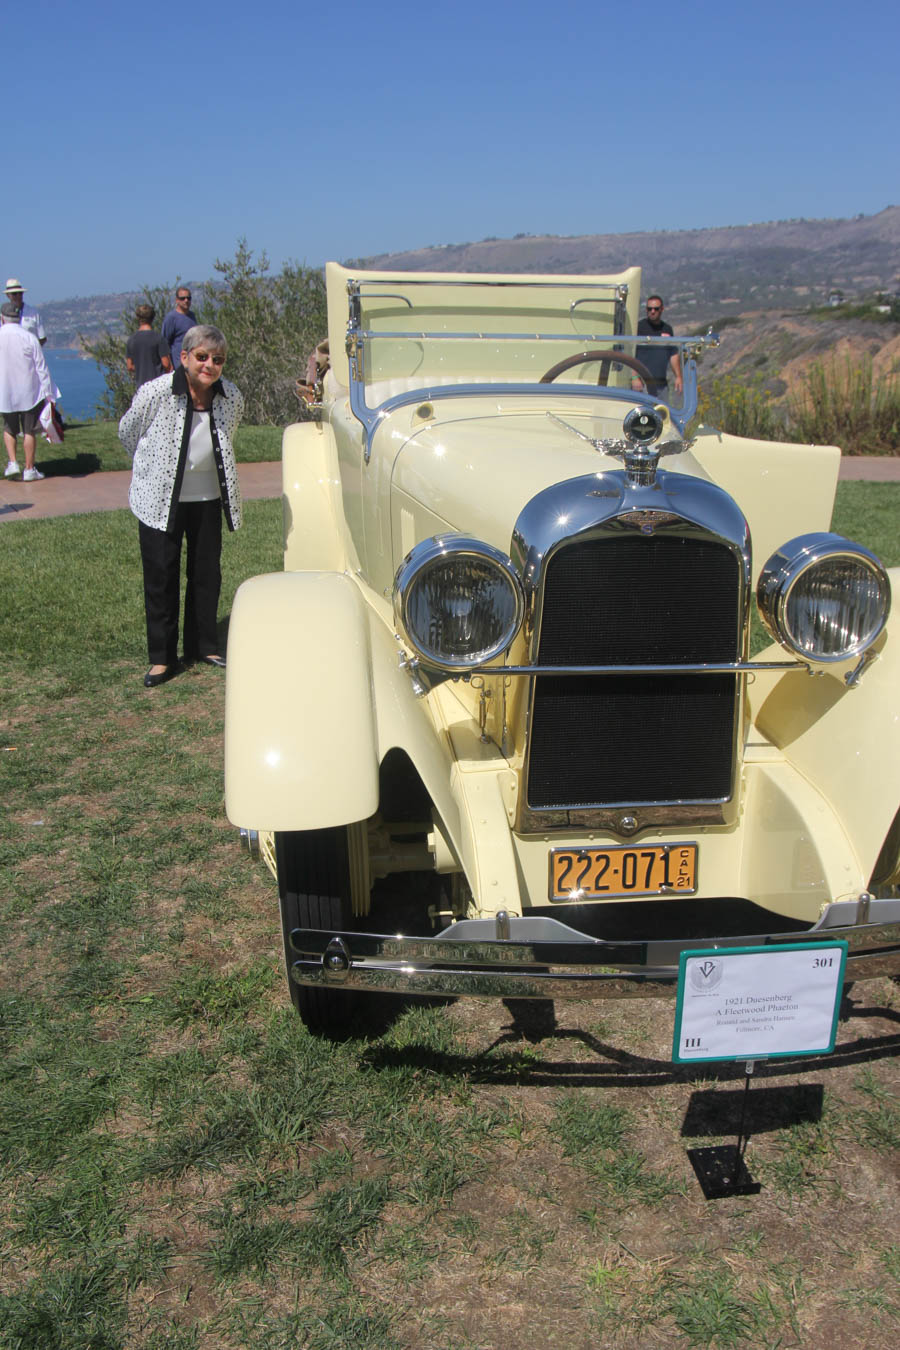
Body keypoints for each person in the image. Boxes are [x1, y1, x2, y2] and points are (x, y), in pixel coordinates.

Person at [118, 325, 244, 688]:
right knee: (161, 576)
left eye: (217, 359)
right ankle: (161, 658)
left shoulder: (230, 395)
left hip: (207, 498)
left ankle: (203, 646)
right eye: (202, 357)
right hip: (158, 499)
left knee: (206, 575)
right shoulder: (156, 392)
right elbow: (129, 432)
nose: (209, 365)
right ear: (184, 357)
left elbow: (228, 433)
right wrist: (149, 467)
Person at [1, 301, 52, 481]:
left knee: (9, 428)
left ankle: (13, 462)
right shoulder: (29, 337)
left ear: (2, 318)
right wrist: (49, 394)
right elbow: (41, 368)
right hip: (28, 392)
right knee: (29, 430)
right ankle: (29, 469)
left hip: (5, 391)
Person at [634, 295, 683, 398]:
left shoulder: (667, 329)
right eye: (649, 309)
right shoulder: (639, 328)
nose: (652, 311)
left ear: (662, 309)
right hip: (642, 384)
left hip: (661, 385)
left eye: (656, 309)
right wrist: (635, 377)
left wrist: (678, 377)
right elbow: (630, 353)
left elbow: (673, 354)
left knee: (661, 413)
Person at [126, 304, 172, 388]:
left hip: (141, 387)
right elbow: (166, 364)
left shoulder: (131, 340)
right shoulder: (158, 338)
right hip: (158, 385)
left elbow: (130, 366)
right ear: (152, 318)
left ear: (138, 318)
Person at [161, 287, 197, 369]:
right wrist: (169, 365)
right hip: (177, 364)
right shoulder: (171, 318)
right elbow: (165, 343)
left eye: (188, 298)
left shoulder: (192, 316)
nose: (186, 300)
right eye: (182, 298)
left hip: (191, 362)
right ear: (177, 300)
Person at [5, 278, 46, 345]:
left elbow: (42, 338)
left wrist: (32, 349)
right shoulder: (3, 315)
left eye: (20, 293)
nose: (18, 296)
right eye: (14, 294)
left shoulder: (33, 313)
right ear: (8, 295)